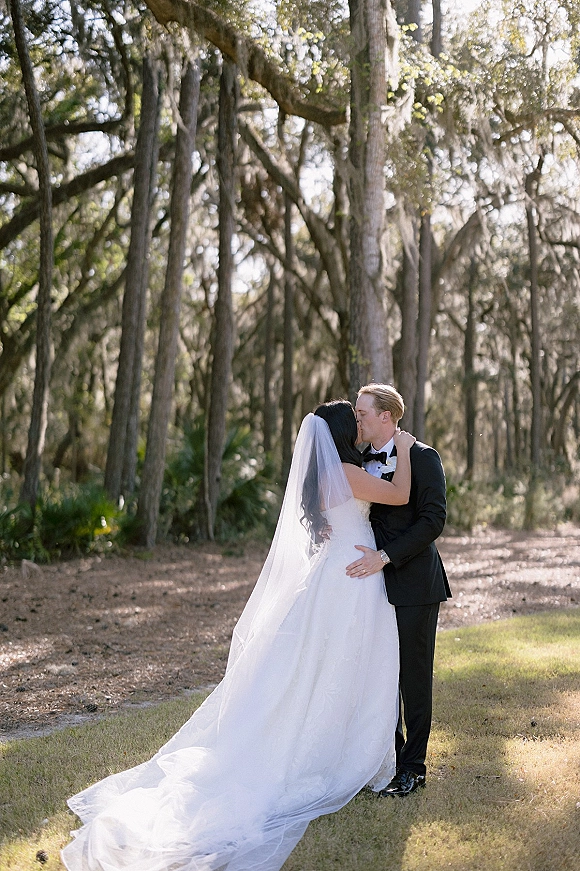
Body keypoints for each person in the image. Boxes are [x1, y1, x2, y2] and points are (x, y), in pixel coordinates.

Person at [61, 400, 415, 871]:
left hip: (339, 573)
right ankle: (338, 758)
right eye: (351, 421)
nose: (357, 425)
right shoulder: (347, 476)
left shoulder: (321, 477)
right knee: (347, 664)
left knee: (330, 666)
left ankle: (344, 747)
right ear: (335, 435)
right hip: (352, 576)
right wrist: (407, 448)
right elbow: (401, 495)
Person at [346, 383, 450, 797]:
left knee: (413, 676)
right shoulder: (357, 459)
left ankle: (413, 767)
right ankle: (386, 759)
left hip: (414, 582)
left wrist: (386, 556)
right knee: (380, 677)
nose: (358, 420)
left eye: (363, 414)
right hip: (370, 589)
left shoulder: (423, 457)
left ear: (386, 416)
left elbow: (433, 520)